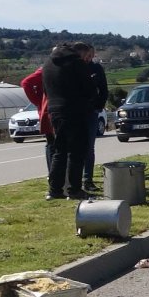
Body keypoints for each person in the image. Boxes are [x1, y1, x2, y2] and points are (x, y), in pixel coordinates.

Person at [41, 42, 97, 200]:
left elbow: (45, 89)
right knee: (77, 151)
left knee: (59, 150)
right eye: (86, 56)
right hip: (74, 109)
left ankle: (54, 190)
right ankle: (74, 189)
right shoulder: (75, 63)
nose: (86, 59)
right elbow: (89, 88)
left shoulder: (47, 64)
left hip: (54, 110)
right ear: (78, 52)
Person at [81, 46, 108, 191]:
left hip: (92, 111)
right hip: (77, 112)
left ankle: (87, 179)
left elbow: (104, 89)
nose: (89, 57)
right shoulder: (74, 68)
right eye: (87, 54)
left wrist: (99, 106)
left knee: (89, 147)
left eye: (91, 54)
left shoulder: (96, 68)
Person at [19, 66, 54, 171]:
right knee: (52, 145)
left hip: (55, 111)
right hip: (49, 112)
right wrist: (38, 101)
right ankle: (53, 175)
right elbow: (26, 83)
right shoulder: (45, 70)